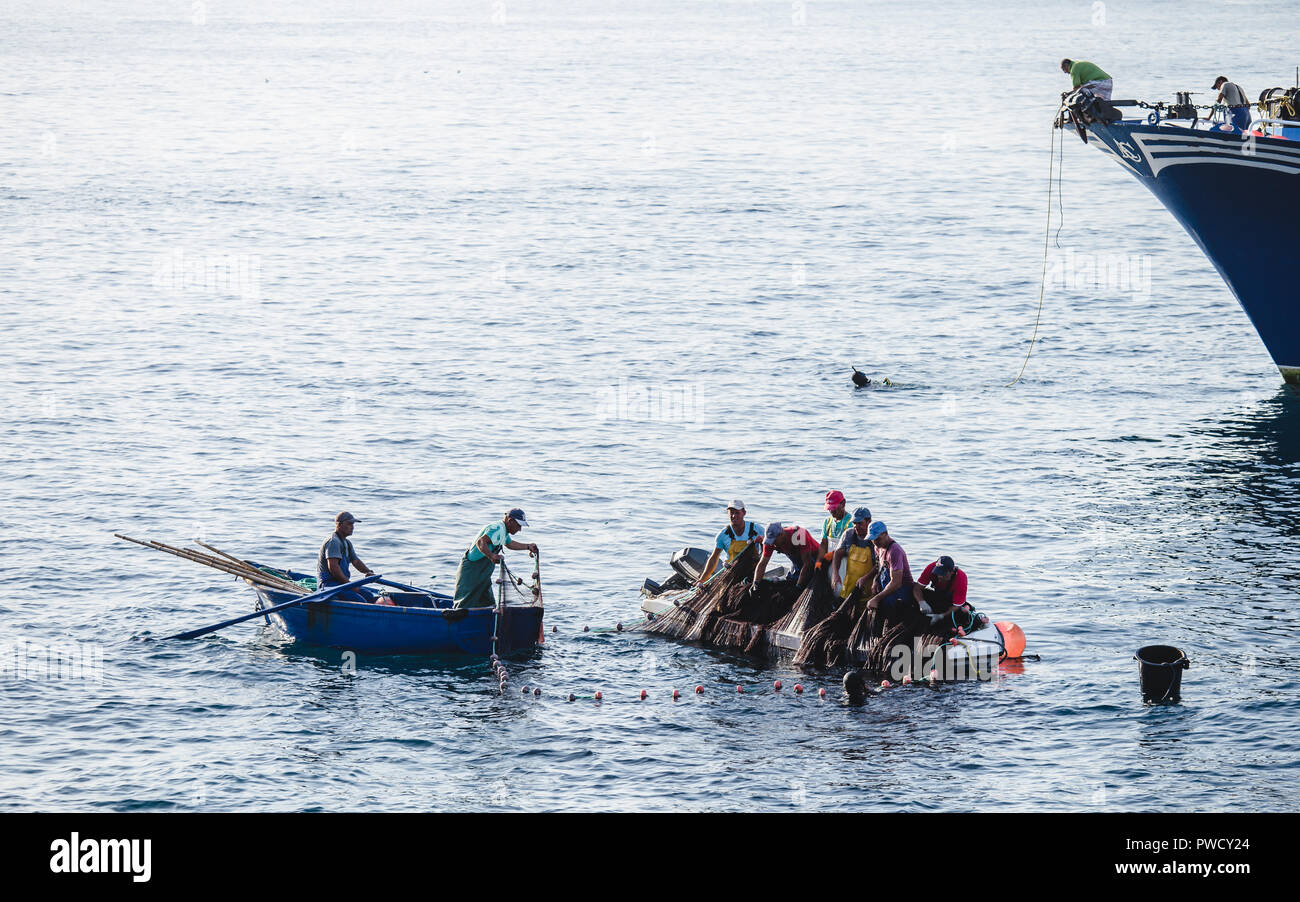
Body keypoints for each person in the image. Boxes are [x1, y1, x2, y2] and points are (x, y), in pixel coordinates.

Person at [452, 508, 537, 609]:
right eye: (518, 525)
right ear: (510, 521)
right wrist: (492, 556)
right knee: (464, 604)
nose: (520, 529)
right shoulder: (497, 528)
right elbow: (480, 542)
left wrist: (528, 546)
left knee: (487, 604)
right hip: (471, 572)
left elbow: (509, 544)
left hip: (483, 574)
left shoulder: (504, 531)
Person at [698, 500, 764, 585]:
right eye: (731, 513)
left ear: (744, 512)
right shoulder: (723, 535)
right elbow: (714, 558)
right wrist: (702, 580)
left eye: (737, 513)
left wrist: (762, 541)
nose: (734, 516)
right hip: (731, 574)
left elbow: (769, 544)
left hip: (753, 572)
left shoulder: (757, 529)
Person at [317, 511, 377, 603]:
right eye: (349, 524)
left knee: (369, 595)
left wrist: (368, 572)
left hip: (341, 583)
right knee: (360, 601)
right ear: (339, 525)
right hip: (329, 585)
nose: (352, 527)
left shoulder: (347, 543)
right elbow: (333, 568)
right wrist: (350, 585)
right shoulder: (333, 541)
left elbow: (356, 561)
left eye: (353, 524)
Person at [863, 521, 913, 624]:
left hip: (901, 594)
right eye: (872, 539)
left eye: (877, 538)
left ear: (885, 533)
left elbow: (896, 582)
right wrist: (875, 580)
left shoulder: (895, 551)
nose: (875, 542)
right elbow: (879, 566)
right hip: (886, 593)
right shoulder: (877, 547)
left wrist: (877, 598)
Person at [753, 522, 819, 591]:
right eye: (770, 541)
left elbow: (807, 564)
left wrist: (798, 586)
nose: (772, 544)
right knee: (788, 584)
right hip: (796, 561)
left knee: (805, 586)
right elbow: (762, 563)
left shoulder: (799, 535)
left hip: (814, 559)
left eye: (774, 541)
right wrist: (755, 583)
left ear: (781, 534)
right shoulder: (770, 542)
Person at [830, 507, 876, 600]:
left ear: (869, 521)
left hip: (869, 588)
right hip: (849, 587)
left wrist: (865, 578)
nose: (856, 526)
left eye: (860, 523)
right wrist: (835, 574)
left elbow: (880, 565)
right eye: (854, 523)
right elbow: (838, 554)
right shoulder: (848, 535)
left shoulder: (875, 538)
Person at [819, 490, 853, 556]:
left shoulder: (851, 522)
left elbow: (850, 547)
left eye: (834, 507)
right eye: (830, 508)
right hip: (829, 561)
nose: (831, 511)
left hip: (846, 561)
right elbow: (823, 544)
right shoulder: (827, 522)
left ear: (843, 503)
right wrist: (819, 561)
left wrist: (832, 554)